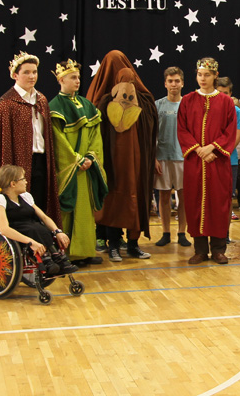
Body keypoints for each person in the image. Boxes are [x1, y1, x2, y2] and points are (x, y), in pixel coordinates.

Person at [87, 50, 157, 262]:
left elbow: (151, 123)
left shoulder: (143, 99)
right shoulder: (103, 100)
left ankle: (133, 244)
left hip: (136, 162)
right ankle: (114, 244)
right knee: (114, 200)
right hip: (113, 162)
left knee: (135, 197)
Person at [0, 52, 60, 229]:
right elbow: (0, 146)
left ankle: (42, 240)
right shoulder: (5, 105)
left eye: (34, 72)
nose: (32, 76)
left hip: (40, 161)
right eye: (26, 72)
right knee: (18, 208)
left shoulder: (41, 100)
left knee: (39, 203)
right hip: (16, 165)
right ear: (15, 75)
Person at [178, 57, 238, 264]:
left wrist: (212, 148)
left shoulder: (226, 102)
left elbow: (230, 131)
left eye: (207, 75)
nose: (202, 79)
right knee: (194, 202)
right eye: (199, 75)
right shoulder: (187, 101)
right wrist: (198, 150)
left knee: (219, 203)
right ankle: (200, 249)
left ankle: (219, 249)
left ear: (215, 76)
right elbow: (182, 129)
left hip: (218, 161)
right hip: (195, 161)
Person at [49, 59, 107, 266]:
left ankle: (85, 251)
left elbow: (95, 135)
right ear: (61, 80)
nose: (77, 81)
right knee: (68, 207)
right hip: (69, 167)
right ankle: (68, 254)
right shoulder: (54, 107)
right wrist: (75, 159)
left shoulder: (87, 105)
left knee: (85, 209)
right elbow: (57, 139)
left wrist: (91, 156)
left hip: (86, 167)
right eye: (73, 77)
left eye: (78, 77)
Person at [0, 164, 77, 280]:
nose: (26, 182)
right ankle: (45, 260)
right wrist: (31, 242)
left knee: (40, 227)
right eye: (23, 179)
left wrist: (58, 231)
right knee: (33, 229)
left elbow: (44, 217)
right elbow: (4, 229)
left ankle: (56, 255)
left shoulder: (26, 196)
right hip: (15, 230)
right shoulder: (0, 199)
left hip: (32, 227)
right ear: (13, 184)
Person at [154, 66, 191, 248]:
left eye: (177, 81)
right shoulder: (157, 105)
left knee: (183, 197)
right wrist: (153, 158)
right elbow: (152, 134)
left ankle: (182, 232)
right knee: (164, 196)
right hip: (162, 157)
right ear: (165, 84)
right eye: (170, 81)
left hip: (183, 157)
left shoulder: (188, 104)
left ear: (182, 83)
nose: (174, 84)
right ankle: (166, 232)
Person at [215, 77, 240, 223]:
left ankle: (225, 231)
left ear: (231, 94)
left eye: (225, 93)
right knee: (212, 196)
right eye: (219, 92)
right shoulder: (209, 108)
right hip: (211, 158)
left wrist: (223, 153)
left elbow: (236, 136)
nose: (222, 96)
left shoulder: (236, 110)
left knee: (227, 197)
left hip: (229, 160)